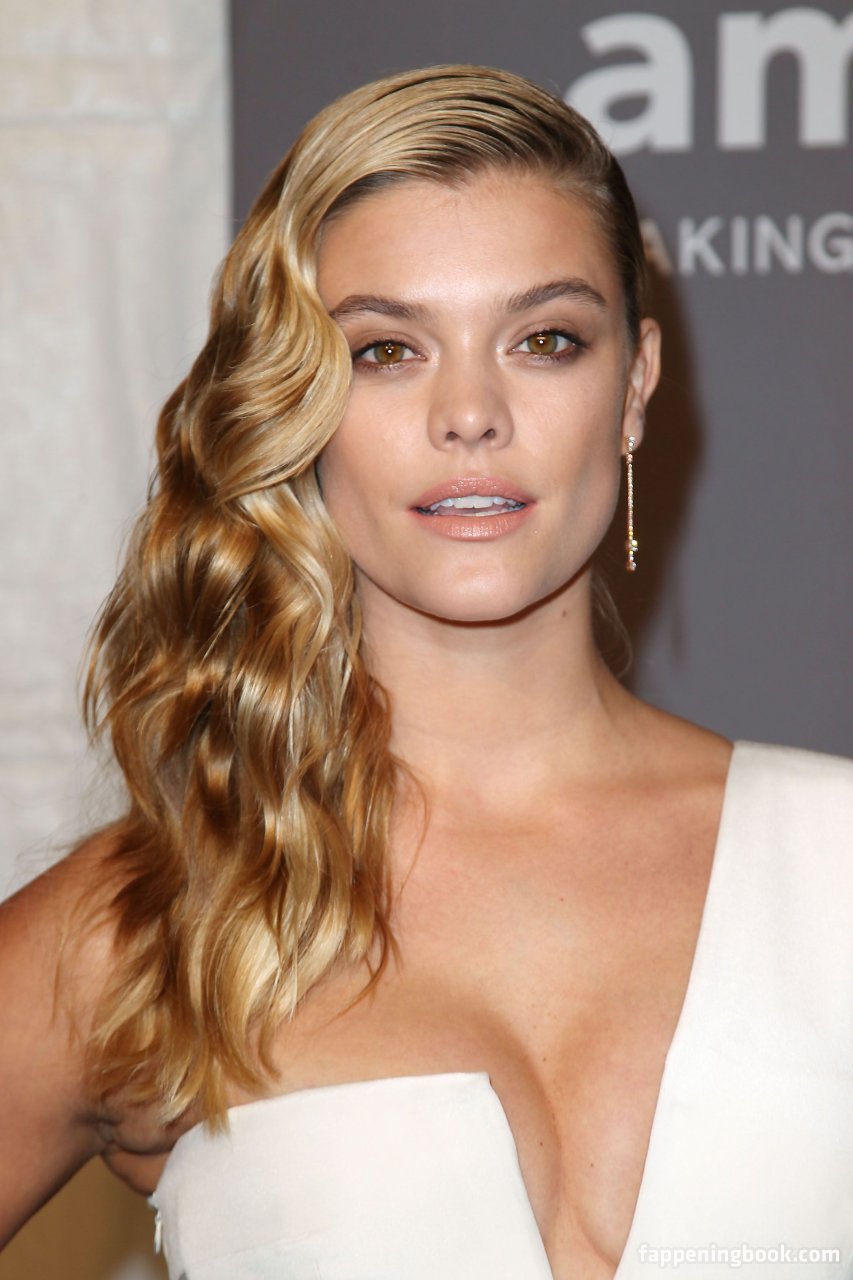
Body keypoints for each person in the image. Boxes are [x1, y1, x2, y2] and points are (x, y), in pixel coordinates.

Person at [1, 64, 851, 1280]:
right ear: (294, 401)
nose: (469, 412)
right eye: (386, 350)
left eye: (545, 340)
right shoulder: (152, 921)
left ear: (633, 387)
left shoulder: (834, 861)